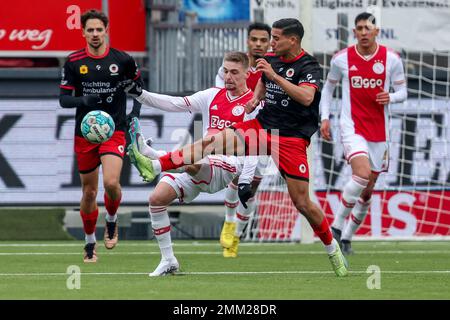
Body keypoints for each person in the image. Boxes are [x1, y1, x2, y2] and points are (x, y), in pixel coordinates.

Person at [127, 19, 349, 277]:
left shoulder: (308, 65)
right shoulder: (267, 61)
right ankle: (155, 164)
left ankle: (332, 248)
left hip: (291, 139)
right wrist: (256, 99)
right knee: (211, 142)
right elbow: (263, 83)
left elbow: (307, 97)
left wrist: (273, 76)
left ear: (293, 40)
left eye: (276, 38)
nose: (270, 43)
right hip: (262, 127)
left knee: (302, 203)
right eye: (270, 38)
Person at [120, 51, 260, 275]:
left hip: (228, 165)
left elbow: (254, 148)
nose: (229, 77)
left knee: (197, 153)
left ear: (247, 74)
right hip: (196, 160)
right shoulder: (212, 95)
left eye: (235, 72)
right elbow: (175, 103)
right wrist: (140, 94)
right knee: (156, 199)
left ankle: (154, 158)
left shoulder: (254, 105)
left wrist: (245, 181)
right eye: (225, 71)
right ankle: (169, 261)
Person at [59, 9, 143, 262]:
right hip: (85, 134)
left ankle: (112, 220)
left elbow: (138, 89)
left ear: (106, 30)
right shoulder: (74, 62)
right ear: (83, 32)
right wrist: (83, 99)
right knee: (88, 193)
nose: (95, 34)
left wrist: (134, 114)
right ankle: (89, 243)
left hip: (113, 130)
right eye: (90, 30)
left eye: (99, 29)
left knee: (111, 183)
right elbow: (63, 100)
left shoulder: (123, 60)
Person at [320, 12, 407, 255]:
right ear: (354, 32)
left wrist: (392, 96)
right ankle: (336, 228)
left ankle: (346, 238)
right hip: (352, 127)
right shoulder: (341, 59)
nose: (364, 32)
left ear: (377, 31)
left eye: (368, 28)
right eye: (359, 28)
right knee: (361, 174)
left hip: (380, 131)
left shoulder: (391, 59)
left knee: (367, 191)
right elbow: (327, 90)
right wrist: (325, 117)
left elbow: (403, 92)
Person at [215, 22, 271, 255]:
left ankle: (237, 235)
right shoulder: (233, 67)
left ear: (269, 43)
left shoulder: (273, 67)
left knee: (251, 189)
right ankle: (229, 221)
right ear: (247, 40)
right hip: (240, 132)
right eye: (254, 39)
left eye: (263, 40)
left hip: (267, 134)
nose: (258, 44)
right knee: (236, 179)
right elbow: (222, 96)